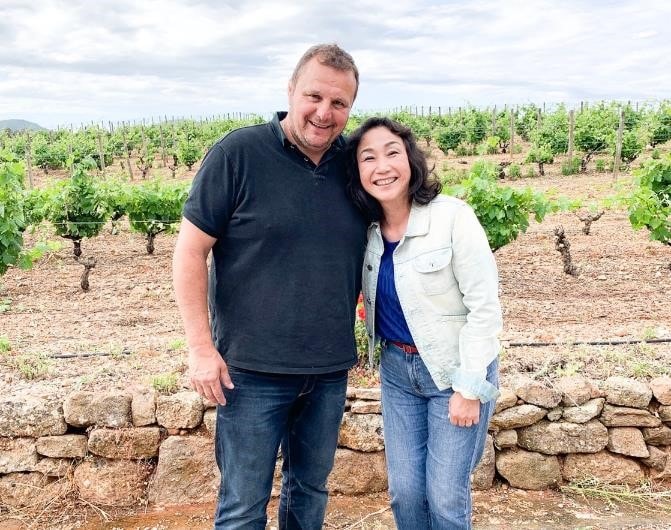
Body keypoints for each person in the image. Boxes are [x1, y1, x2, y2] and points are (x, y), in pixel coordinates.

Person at [172, 44, 366, 530]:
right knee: (242, 507)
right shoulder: (237, 154)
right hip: (250, 372)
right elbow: (189, 252)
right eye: (314, 96)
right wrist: (200, 348)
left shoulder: (356, 165)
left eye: (339, 103)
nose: (324, 112)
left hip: (328, 368)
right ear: (291, 90)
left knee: (310, 493)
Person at [345, 117, 502, 530]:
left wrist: (469, 387)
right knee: (406, 493)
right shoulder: (366, 231)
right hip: (398, 372)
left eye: (392, 153)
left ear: (410, 160)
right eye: (368, 158)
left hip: (454, 370)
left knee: (446, 497)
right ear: (357, 172)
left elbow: (485, 308)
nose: (382, 167)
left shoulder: (452, 218)